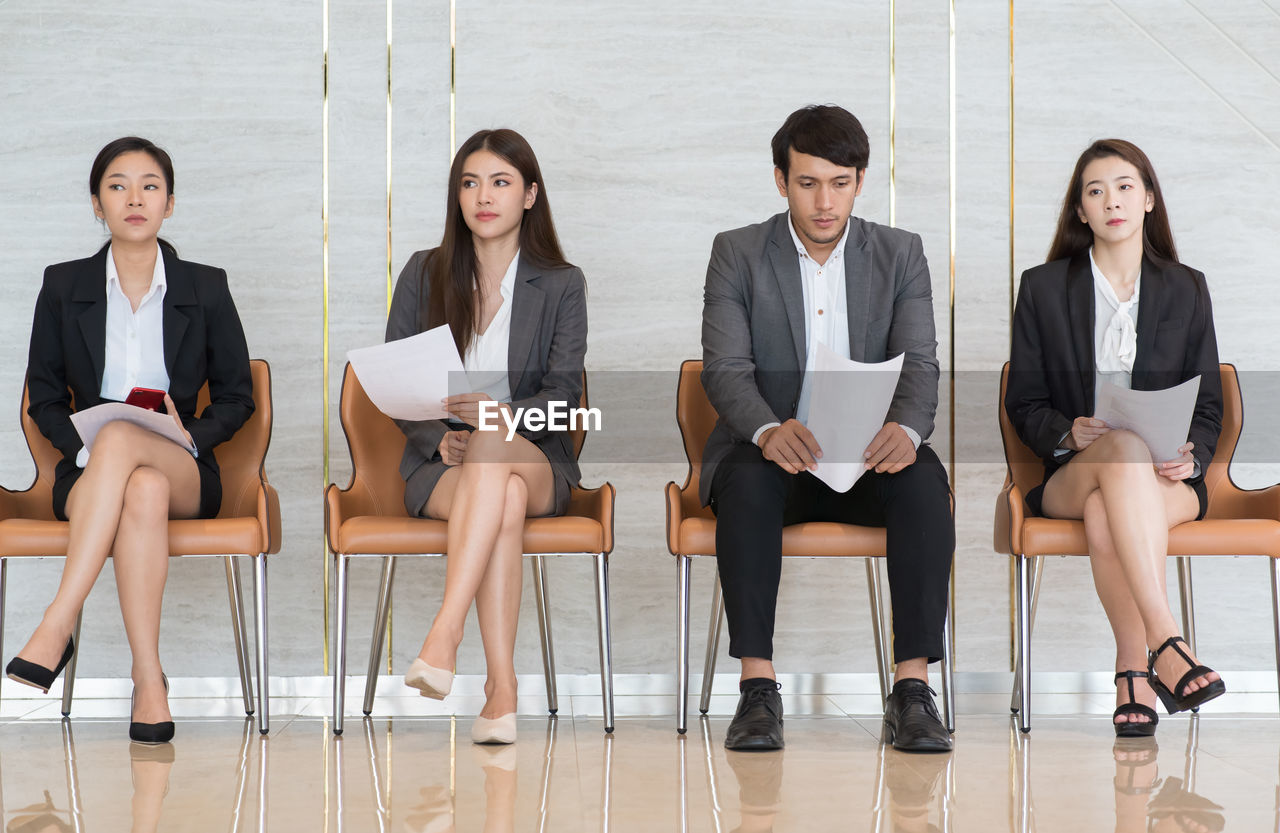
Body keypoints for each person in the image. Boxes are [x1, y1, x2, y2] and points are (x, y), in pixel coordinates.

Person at [701, 104, 954, 753]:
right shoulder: (738, 253)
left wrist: (908, 428)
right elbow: (725, 369)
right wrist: (764, 429)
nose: (824, 200)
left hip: (867, 454)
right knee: (748, 484)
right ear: (781, 179)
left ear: (860, 181)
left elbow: (921, 363)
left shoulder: (899, 254)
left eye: (839, 183)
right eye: (808, 182)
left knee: (926, 482)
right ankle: (758, 690)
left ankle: (912, 691)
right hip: (774, 455)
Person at [6, 137, 255, 744]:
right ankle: (149, 681)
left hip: (187, 465)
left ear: (170, 204)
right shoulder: (64, 286)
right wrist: (96, 455)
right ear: (97, 204)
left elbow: (237, 396)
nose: (134, 198)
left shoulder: (206, 285)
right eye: (117, 186)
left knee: (139, 458)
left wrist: (187, 434)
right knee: (135, 484)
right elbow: (43, 396)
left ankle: (57, 622)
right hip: (93, 470)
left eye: (150, 186)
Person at [1006, 138, 1226, 738]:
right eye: (1095, 191)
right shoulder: (1044, 288)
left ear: (1149, 198)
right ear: (1080, 210)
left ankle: (1134, 671)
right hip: (1072, 475)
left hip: (1165, 478)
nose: (1112, 201)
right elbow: (1022, 403)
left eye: (1126, 186)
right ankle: (1167, 639)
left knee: (1111, 508)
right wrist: (1066, 432)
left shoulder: (1187, 288)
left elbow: (1209, 405)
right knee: (1118, 456)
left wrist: (1194, 455)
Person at [386, 128, 586, 745]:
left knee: (499, 444)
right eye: (470, 183)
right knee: (501, 500)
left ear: (529, 194)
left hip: (536, 458)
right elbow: (393, 378)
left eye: (500, 182)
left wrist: (497, 412)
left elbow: (562, 399)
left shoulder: (561, 283)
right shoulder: (425, 273)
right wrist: (435, 440)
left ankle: (444, 634)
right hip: (445, 464)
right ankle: (502, 689)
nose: (483, 196)